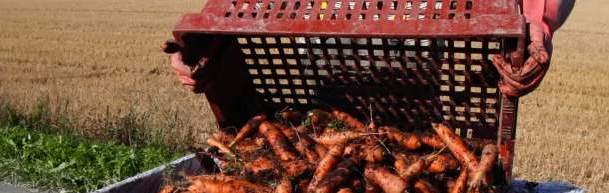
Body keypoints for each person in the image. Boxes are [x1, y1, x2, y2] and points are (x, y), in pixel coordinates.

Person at [170, 0, 574, 98]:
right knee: (323, 135)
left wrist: (538, 19)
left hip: (421, 33)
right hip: (320, 34)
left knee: (417, 157)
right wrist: (214, 25)